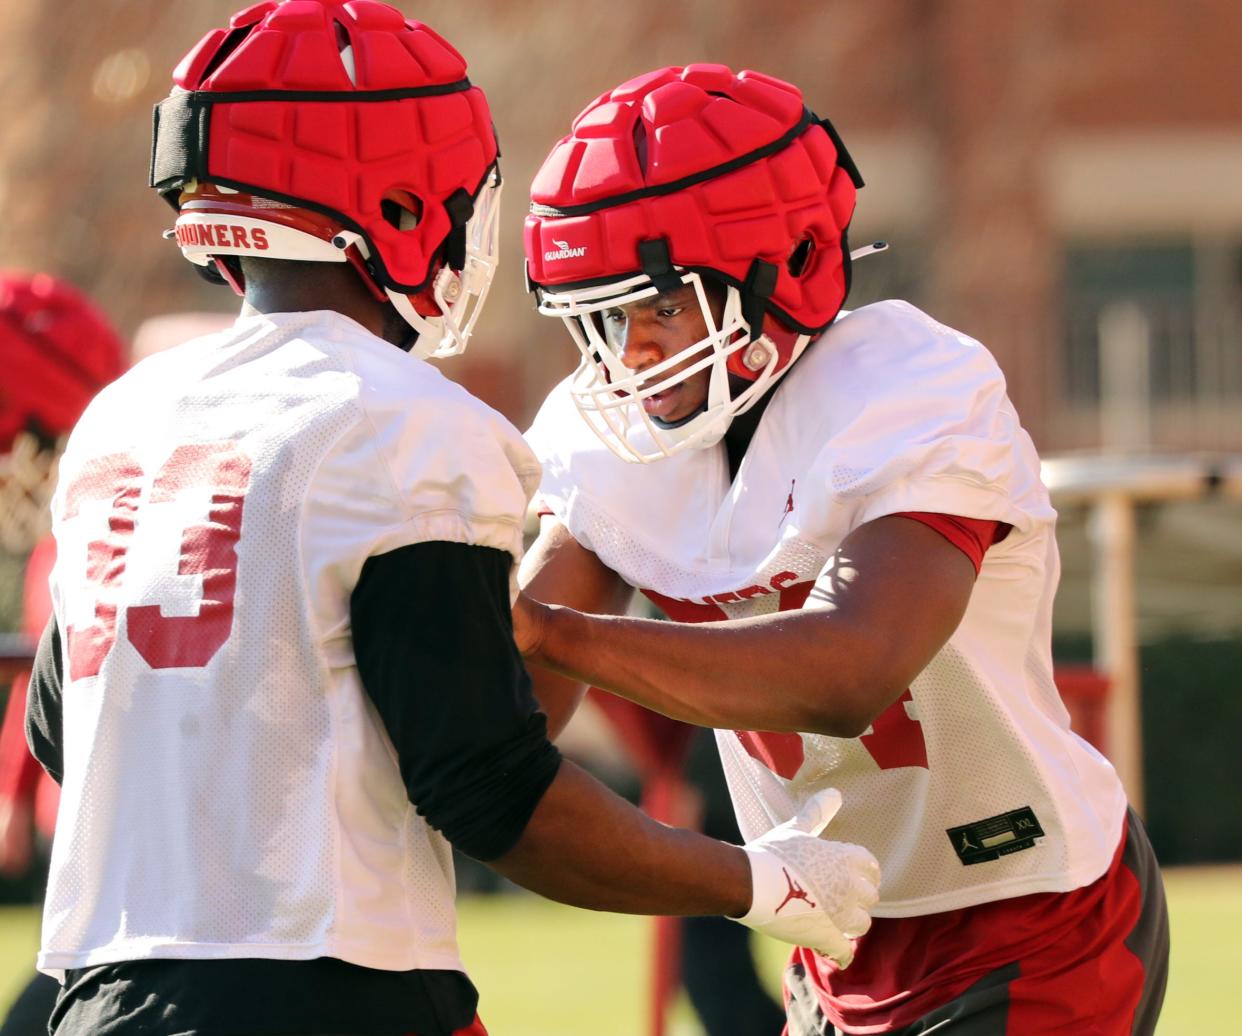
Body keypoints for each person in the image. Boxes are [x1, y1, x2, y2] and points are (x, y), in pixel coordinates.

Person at [23, 12, 879, 1036]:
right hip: (335, 992)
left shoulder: (124, 414)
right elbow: (492, 792)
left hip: (95, 997)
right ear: (401, 193)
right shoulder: (409, 425)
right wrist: (758, 881)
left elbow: (62, 729)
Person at [515, 64, 1169, 1035]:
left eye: (660, 306)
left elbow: (849, 669)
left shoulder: (912, 388)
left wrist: (544, 630)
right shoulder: (612, 439)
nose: (631, 353)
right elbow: (512, 702)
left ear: (790, 263)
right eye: (606, 317)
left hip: (1034, 916)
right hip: (835, 938)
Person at [0, 271, 127, 1036]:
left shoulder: (89, 534)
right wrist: (15, 795)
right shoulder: (68, 533)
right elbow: (37, 683)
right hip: (84, 805)